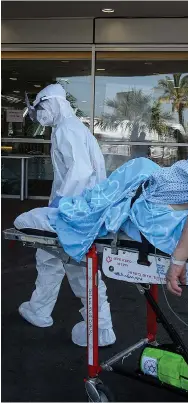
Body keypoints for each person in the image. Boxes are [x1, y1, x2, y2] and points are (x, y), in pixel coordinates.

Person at [19, 83, 116, 347]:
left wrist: (64, 206)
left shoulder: (66, 130)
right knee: (48, 256)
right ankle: (39, 309)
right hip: (80, 209)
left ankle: (102, 328)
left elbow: (81, 172)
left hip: (75, 213)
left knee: (79, 268)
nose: (38, 116)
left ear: (51, 103)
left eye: (39, 109)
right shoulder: (74, 129)